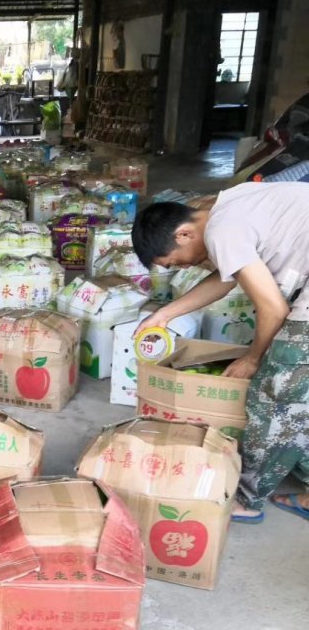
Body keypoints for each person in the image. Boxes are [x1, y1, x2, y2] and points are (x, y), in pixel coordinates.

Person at [131, 181, 309, 523]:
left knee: (277, 388)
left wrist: (253, 359)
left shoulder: (223, 230)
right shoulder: (222, 208)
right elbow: (228, 276)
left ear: (184, 234)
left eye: (176, 262)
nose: (182, 267)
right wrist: (164, 314)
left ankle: (244, 498)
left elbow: (273, 310)